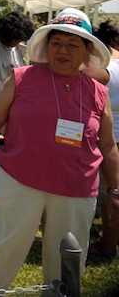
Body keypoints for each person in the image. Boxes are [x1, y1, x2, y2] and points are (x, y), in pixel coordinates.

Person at [0, 8, 119, 292]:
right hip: (20, 181)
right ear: (46, 47)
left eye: (72, 45)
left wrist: (116, 191)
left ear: (87, 51)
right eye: (56, 43)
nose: (63, 50)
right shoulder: (22, 78)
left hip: (76, 188)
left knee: (67, 258)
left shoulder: (98, 93)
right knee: (3, 248)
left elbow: (107, 146)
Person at [83, 19, 119, 262]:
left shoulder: (109, 69)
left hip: (111, 141)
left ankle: (107, 247)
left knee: (110, 200)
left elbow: (82, 72)